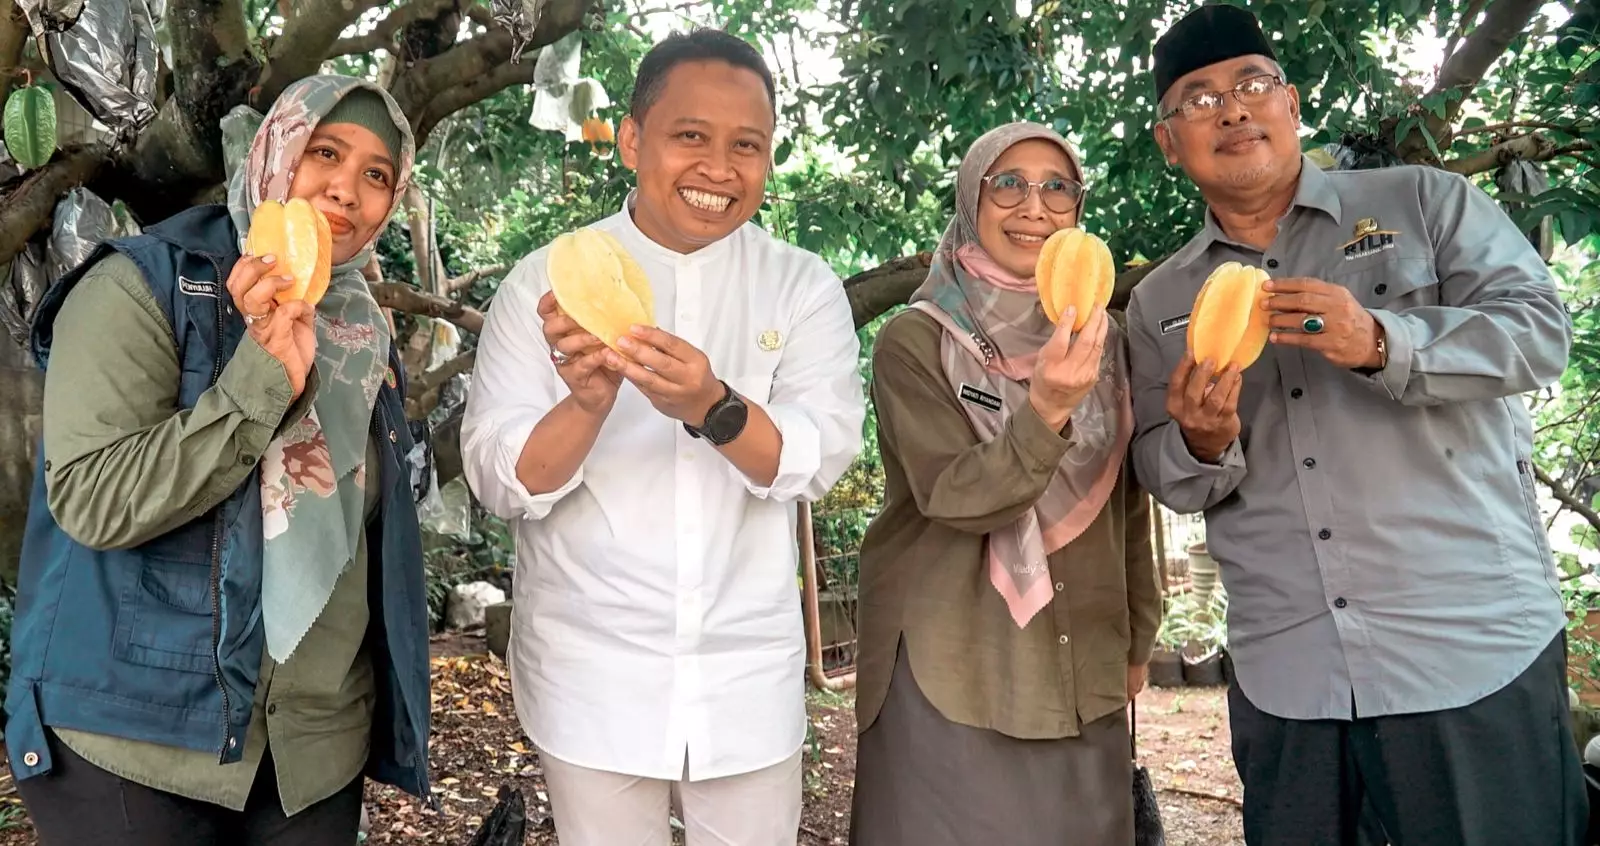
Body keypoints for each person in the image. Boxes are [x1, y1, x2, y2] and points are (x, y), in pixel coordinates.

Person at [1125, 5, 1586, 845]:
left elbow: (1540, 333)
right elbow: (1162, 471)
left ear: (1292, 106)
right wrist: (1199, 440)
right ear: (1170, 142)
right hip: (1289, 677)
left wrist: (1381, 339)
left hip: (1468, 651)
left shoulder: (1426, 201)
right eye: (1197, 99)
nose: (1231, 109)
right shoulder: (1159, 301)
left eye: (1252, 85)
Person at [459, 27, 865, 846]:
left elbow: (819, 457)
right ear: (633, 141)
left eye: (746, 145)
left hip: (745, 679)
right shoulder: (544, 284)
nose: (719, 169)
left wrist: (715, 405)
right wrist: (585, 404)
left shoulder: (801, 287)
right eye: (691, 137)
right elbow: (500, 479)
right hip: (591, 674)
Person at [5, 74, 432, 845]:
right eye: (325, 153)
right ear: (275, 153)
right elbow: (95, 499)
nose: (347, 189)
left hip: (311, 752)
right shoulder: (142, 285)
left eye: (377, 174)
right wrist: (259, 380)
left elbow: (369, 546)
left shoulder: (364, 335)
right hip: (138, 739)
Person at [847, 121, 1162, 846]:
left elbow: (1127, 497)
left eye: (1058, 187)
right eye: (1009, 184)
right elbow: (953, 494)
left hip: (1083, 650)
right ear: (971, 198)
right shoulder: (917, 339)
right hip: (949, 653)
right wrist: (1047, 407)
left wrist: (1140, 631)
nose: (1035, 205)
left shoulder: (1104, 339)